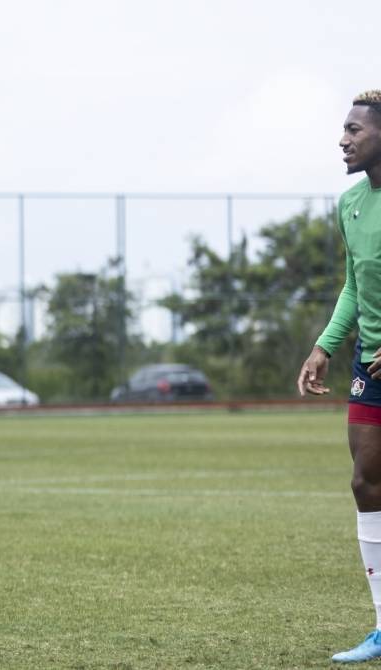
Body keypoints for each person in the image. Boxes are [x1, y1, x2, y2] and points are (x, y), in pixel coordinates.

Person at [297, 90, 381, 663]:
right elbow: (354, 284)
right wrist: (325, 345)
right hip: (369, 365)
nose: (343, 139)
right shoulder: (350, 203)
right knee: (365, 483)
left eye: (354, 129)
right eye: (343, 129)